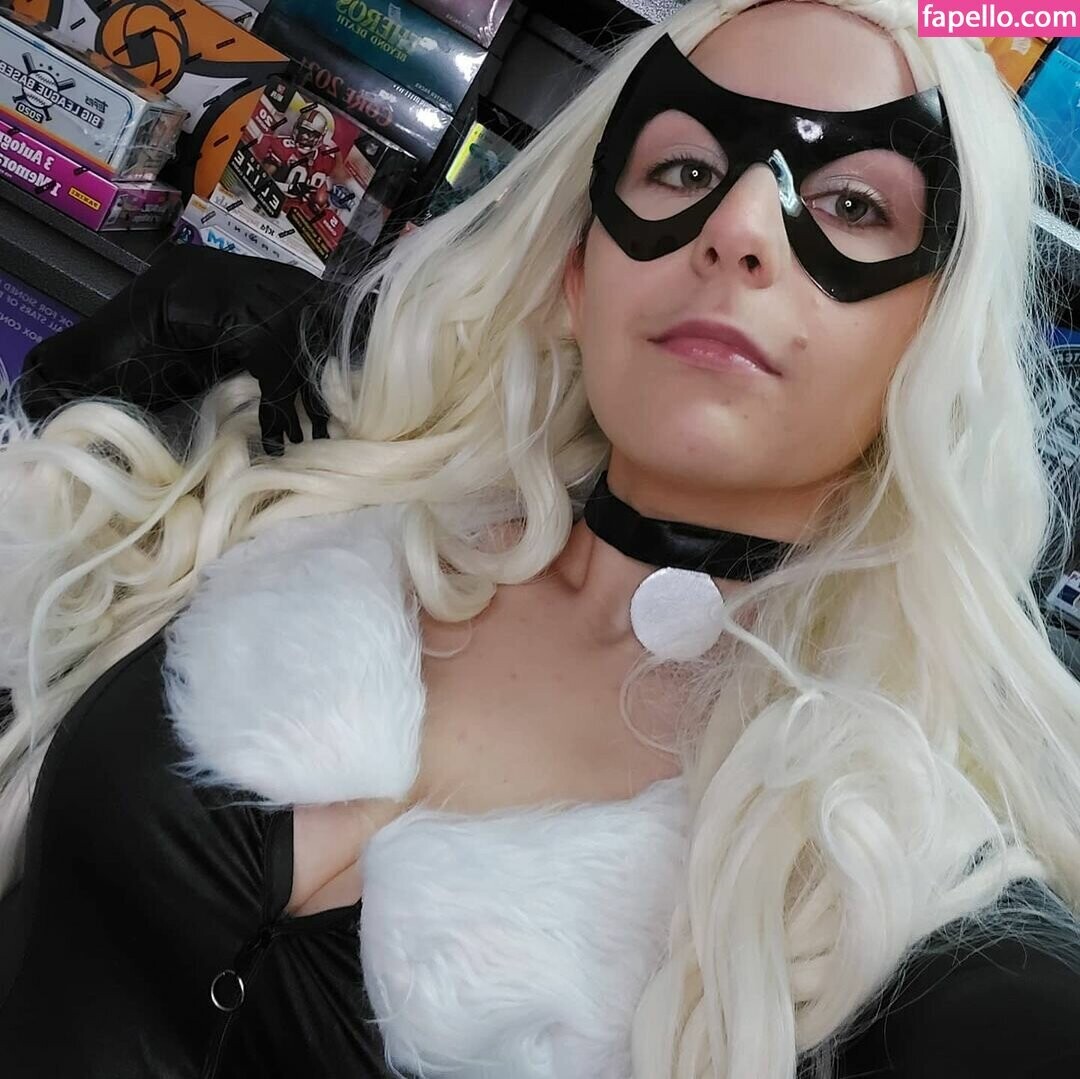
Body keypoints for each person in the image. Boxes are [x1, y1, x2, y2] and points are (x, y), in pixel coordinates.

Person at [3, 0, 1080, 1076]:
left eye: (852, 204)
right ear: (578, 275)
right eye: (686, 171)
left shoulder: (869, 867)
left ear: (937, 341)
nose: (741, 227)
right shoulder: (320, 511)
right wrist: (94, 440)